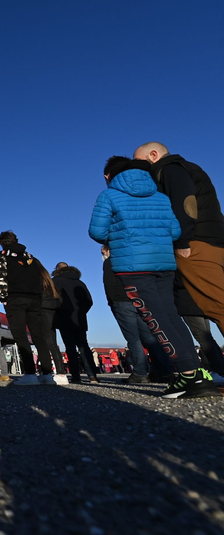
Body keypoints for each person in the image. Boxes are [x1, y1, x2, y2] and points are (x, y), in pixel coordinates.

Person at [89, 155, 219, 398]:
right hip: (164, 264)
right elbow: (175, 230)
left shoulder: (109, 195)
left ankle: (188, 376)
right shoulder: (159, 195)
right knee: (171, 315)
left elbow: (96, 231)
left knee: (154, 318)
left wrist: (118, 236)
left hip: (133, 266)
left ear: (110, 176)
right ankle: (198, 372)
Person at [135, 142, 224, 338]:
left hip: (196, 244)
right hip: (213, 240)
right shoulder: (187, 167)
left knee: (218, 305)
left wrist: (182, 241)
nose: (137, 167)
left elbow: (185, 204)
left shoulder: (168, 169)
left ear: (153, 154)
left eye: (139, 161)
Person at [102, 245, 172, 383]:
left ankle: (140, 372)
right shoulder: (133, 260)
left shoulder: (110, 262)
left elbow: (109, 283)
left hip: (121, 301)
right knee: (150, 337)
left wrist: (111, 302)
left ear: (109, 250)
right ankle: (164, 370)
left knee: (133, 338)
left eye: (103, 252)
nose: (103, 255)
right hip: (140, 300)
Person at [0, 231, 56, 385]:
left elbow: (0, 277)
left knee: (20, 336)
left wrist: (3, 298)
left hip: (15, 298)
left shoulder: (2, 255)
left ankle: (30, 373)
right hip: (34, 299)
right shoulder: (30, 257)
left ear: (2, 242)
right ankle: (47, 374)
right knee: (39, 336)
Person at [51, 263, 98, 384]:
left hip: (63, 317)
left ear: (56, 270)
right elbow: (89, 301)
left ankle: (76, 375)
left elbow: (51, 300)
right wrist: (82, 312)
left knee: (70, 347)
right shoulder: (80, 283)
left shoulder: (55, 282)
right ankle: (92, 375)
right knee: (83, 345)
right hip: (80, 318)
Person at [37, 262, 68, 383]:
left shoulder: (39, 282)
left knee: (46, 343)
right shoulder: (50, 282)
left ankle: (55, 373)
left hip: (43, 310)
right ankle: (61, 372)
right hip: (52, 311)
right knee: (53, 344)